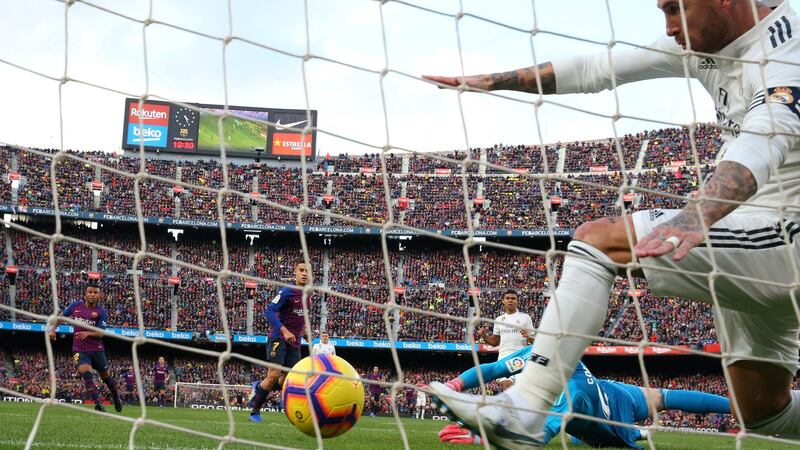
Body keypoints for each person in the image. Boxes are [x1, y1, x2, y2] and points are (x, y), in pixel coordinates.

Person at [423, 0, 800, 446]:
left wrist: (699, 213)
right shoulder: (702, 42)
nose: (669, 26)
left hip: (785, 235)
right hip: (749, 235)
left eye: (674, 9)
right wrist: (494, 81)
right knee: (763, 411)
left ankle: (527, 405)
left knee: (598, 241)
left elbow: (765, 139)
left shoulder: (787, 53)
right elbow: (597, 68)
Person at [430, 346, 731, 448]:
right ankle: (735, 406)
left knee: (577, 422)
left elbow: (545, 428)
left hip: (609, 420)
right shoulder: (540, 354)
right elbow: (495, 368)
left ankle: (637, 432)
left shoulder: (570, 390)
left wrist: (488, 437)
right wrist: (456, 384)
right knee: (662, 396)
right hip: (612, 390)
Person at [250, 261, 311, 423]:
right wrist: (284, 330)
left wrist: (304, 332)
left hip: (295, 342)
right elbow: (269, 311)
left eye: (307, 271)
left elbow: (298, 317)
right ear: (295, 273)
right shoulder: (286, 292)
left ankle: (259, 389)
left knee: (289, 380)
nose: (304, 273)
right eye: (301, 270)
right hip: (278, 337)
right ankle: (254, 412)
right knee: (274, 375)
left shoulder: (308, 295)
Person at [49, 281, 122, 413]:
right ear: (85, 294)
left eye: (95, 292)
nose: (92, 295)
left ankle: (116, 396)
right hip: (80, 349)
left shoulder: (101, 312)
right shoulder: (76, 306)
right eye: (90, 292)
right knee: (86, 374)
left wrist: (87, 332)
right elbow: (61, 317)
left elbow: (101, 333)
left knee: (106, 378)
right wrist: (53, 329)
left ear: (99, 295)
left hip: (97, 350)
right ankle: (99, 405)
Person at [475, 289, 534, 391]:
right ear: (503, 301)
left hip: (520, 357)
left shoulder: (525, 318)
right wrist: (484, 335)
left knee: (517, 391)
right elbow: (494, 342)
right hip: (504, 357)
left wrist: (529, 337)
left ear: (517, 301)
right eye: (508, 298)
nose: (510, 300)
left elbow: (535, 341)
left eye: (513, 298)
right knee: (506, 385)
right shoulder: (499, 320)